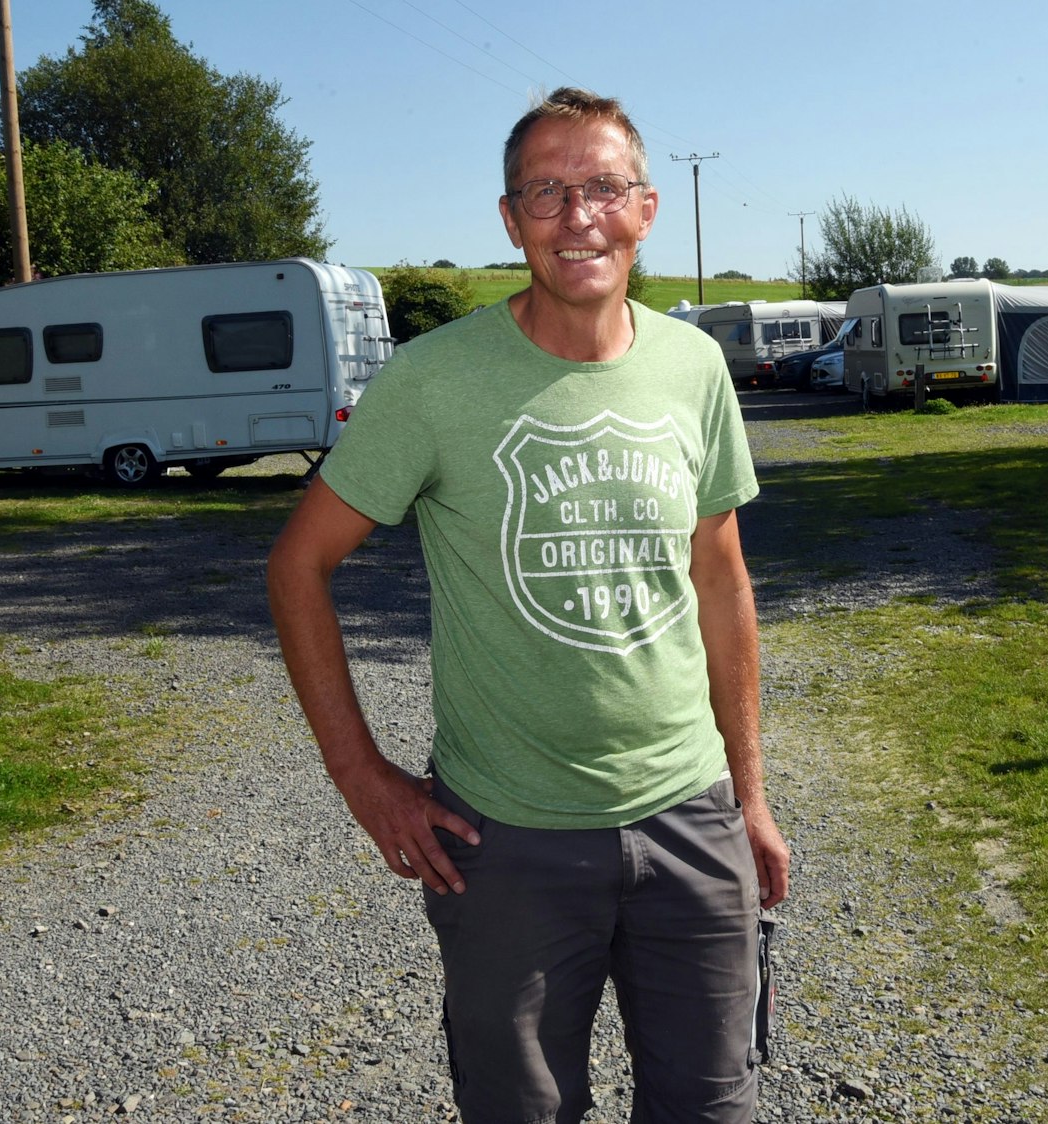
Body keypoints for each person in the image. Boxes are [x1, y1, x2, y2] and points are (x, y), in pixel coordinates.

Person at [266, 87, 789, 1124]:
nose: (576, 214)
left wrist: (751, 795)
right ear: (510, 222)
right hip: (506, 839)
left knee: (713, 1103)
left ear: (645, 207)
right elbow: (297, 567)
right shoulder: (430, 381)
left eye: (601, 186)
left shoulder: (693, 369)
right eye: (545, 191)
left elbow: (721, 581)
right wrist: (362, 777)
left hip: (690, 818)